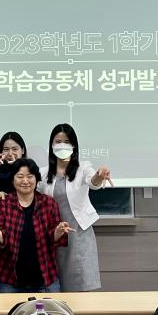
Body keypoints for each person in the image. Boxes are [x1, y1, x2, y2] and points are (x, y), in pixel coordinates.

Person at [39, 123, 113, 292]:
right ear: (51, 145)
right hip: (54, 235)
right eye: (58, 141)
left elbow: (93, 182)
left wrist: (100, 175)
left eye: (66, 142)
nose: (62, 145)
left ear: (74, 145)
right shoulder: (43, 173)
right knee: (57, 286)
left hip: (79, 233)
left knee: (82, 283)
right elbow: (28, 195)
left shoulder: (83, 168)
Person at [0, 158, 72, 293]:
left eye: (30, 176)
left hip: (45, 279)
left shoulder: (49, 203)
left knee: (50, 308)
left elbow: (53, 239)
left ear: (37, 179)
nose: (25, 181)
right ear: (12, 180)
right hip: (9, 280)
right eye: (20, 176)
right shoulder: (3, 204)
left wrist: (59, 231)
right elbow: (1, 242)